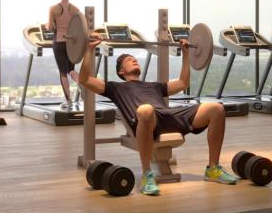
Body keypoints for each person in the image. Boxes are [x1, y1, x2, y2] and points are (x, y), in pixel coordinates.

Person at [76, 31, 237, 196]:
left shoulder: (154, 86)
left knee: (216, 109)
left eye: (135, 59)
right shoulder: (115, 88)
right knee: (146, 109)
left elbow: (183, 83)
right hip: (148, 120)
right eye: (129, 60)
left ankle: (213, 169)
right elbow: (85, 79)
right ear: (121, 72)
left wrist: (186, 54)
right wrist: (89, 50)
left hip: (169, 116)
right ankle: (147, 175)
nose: (134, 60)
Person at [49, 0, 80, 110]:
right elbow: (80, 25)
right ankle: (81, 84)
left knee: (63, 72)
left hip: (59, 42)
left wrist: (46, 26)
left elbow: (50, 27)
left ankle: (68, 101)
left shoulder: (53, 9)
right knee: (71, 69)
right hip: (71, 43)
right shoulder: (75, 9)